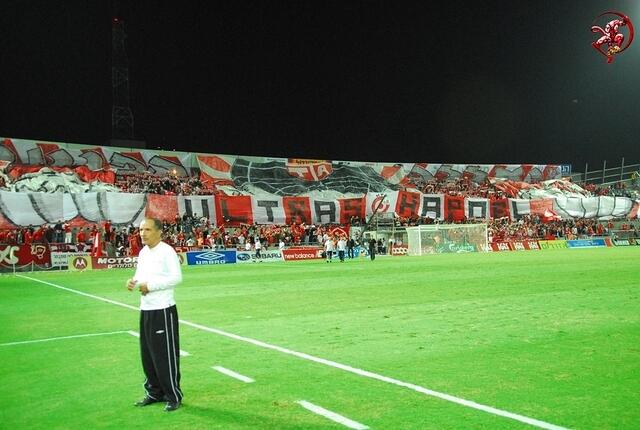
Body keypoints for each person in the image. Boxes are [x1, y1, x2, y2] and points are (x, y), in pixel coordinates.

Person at [126, 218, 183, 412]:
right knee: (148, 354)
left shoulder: (167, 251)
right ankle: (154, 393)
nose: (143, 233)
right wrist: (133, 281)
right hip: (146, 308)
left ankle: (173, 395)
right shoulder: (143, 252)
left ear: (159, 232)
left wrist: (150, 286)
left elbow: (177, 278)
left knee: (164, 355)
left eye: (147, 229)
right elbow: (140, 274)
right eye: (141, 230)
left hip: (163, 309)